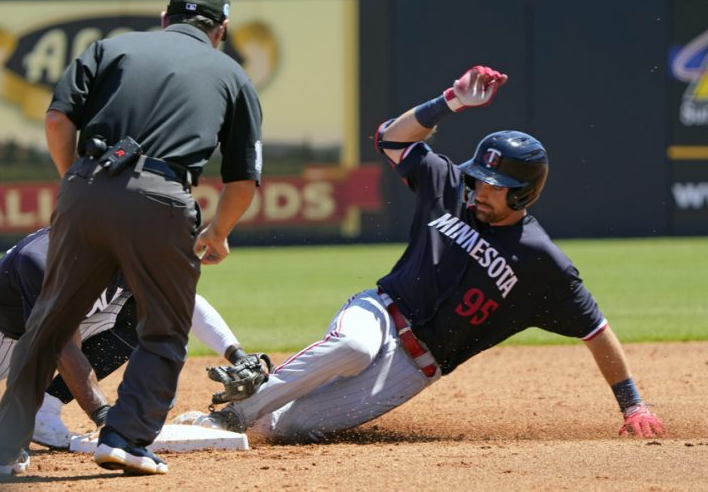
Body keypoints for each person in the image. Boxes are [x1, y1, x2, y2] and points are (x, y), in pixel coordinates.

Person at [176, 65, 666, 443]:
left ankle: (238, 420)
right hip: (380, 313)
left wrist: (633, 405)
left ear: (521, 196)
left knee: (282, 429)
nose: (477, 189)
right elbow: (391, 136)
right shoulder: (448, 184)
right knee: (352, 347)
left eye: (493, 186)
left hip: (413, 369)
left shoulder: (542, 261)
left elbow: (596, 330)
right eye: (477, 177)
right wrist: (450, 101)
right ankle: (226, 414)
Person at [0, 0, 262, 476]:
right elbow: (242, 180)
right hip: (162, 198)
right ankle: (126, 439)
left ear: (164, 18)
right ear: (221, 30)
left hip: (87, 185)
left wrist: (76, 182)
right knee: (164, 328)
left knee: (47, 325)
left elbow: (56, 121)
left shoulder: (109, 48)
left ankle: (2, 450)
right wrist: (217, 233)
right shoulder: (232, 75)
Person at [0, 228, 249, 450]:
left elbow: (184, 301)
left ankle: (43, 411)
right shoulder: (46, 260)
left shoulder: (124, 252)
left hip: (40, 331)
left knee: (142, 310)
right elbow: (61, 345)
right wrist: (106, 418)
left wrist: (238, 355)